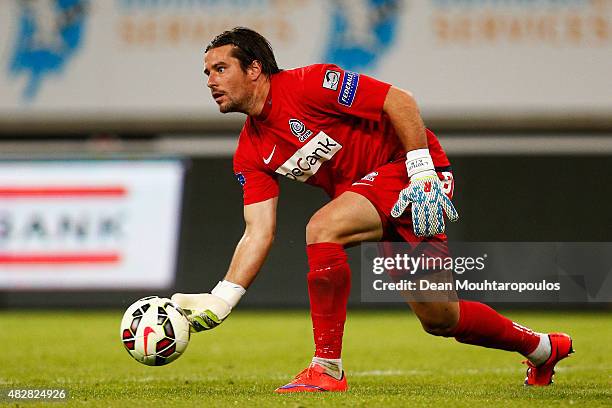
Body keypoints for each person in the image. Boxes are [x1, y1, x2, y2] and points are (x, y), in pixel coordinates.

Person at [171, 27, 573, 393]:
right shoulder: (249, 152)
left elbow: (399, 100)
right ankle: (542, 348)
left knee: (322, 228)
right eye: (206, 73)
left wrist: (420, 171)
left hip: (409, 172)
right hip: (372, 197)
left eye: (220, 69)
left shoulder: (310, 84)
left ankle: (326, 367)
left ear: (255, 68)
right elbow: (258, 230)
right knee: (440, 317)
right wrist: (222, 298)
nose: (211, 81)